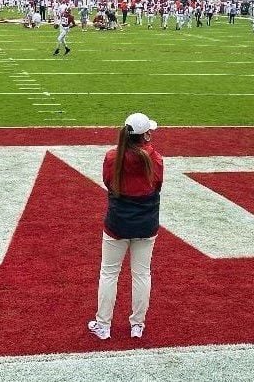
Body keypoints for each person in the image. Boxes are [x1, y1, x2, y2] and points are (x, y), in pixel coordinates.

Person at [88, 113, 164, 341]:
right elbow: (157, 185)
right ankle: (137, 325)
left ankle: (103, 325)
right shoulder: (155, 158)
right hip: (146, 223)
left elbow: (108, 183)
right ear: (145, 135)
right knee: (142, 274)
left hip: (117, 223)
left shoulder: (113, 157)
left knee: (109, 273)